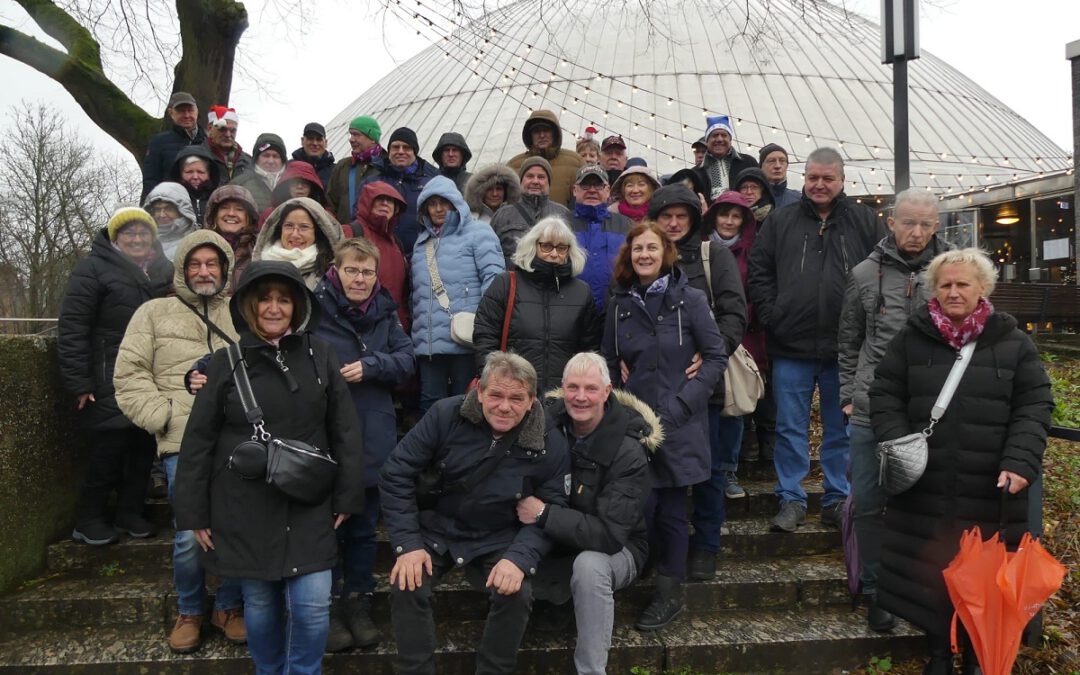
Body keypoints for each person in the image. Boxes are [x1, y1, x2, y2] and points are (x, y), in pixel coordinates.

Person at [175, 260, 365, 673]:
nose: (275, 308)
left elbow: (345, 429)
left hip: (309, 499)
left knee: (313, 605)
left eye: (284, 299)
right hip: (244, 502)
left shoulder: (322, 354)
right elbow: (198, 442)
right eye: (265, 299)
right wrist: (193, 512)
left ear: (297, 307)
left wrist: (348, 495)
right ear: (249, 306)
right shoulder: (225, 362)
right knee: (259, 603)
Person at [869, 248, 1053, 675]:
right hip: (926, 482)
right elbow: (885, 393)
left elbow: (1035, 403)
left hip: (989, 485)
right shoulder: (912, 337)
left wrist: (1020, 461)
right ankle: (938, 652)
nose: (954, 292)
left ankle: (976, 655)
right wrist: (900, 445)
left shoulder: (1012, 341)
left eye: (963, 284)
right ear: (935, 290)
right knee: (931, 569)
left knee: (984, 577)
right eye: (946, 285)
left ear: (983, 288)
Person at [379, 351, 571, 675]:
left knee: (517, 592)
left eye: (516, 398)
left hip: (497, 536)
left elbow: (554, 507)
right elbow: (396, 472)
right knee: (407, 583)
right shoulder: (444, 414)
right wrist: (407, 544)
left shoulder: (549, 440)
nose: (504, 406)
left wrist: (520, 558)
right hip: (437, 529)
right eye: (496, 394)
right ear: (479, 392)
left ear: (530, 401)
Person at [112, 230, 245, 653]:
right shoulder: (153, 312)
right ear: (183, 270)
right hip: (182, 442)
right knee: (191, 531)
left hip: (236, 441)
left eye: (212, 264)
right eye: (195, 264)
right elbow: (129, 373)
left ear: (224, 269)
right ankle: (190, 609)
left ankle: (228, 606)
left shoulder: (241, 312)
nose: (204, 271)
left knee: (237, 525)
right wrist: (163, 416)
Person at [748, 147, 887, 533]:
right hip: (790, 344)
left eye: (828, 178)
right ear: (803, 178)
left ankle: (836, 497)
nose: (820, 185)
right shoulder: (781, 221)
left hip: (845, 349)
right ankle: (790, 498)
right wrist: (773, 314)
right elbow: (760, 271)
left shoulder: (863, 221)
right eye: (813, 178)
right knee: (789, 427)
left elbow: (883, 272)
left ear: (843, 180)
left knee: (840, 427)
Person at [603, 221, 727, 631]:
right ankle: (647, 571)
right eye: (638, 248)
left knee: (672, 510)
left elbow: (714, 357)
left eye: (652, 248)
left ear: (665, 253)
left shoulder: (690, 300)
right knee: (643, 506)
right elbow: (607, 358)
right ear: (629, 254)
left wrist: (681, 405)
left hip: (679, 420)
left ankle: (669, 592)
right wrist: (618, 383)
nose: (644, 255)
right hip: (634, 423)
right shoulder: (620, 303)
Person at [837, 188, 951, 633]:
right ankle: (876, 589)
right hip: (869, 408)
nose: (917, 232)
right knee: (868, 501)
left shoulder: (951, 274)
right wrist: (849, 393)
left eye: (926, 224)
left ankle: (920, 588)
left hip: (930, 408)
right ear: (891, 222)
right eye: (909, 222)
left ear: (937, 226)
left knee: (925, 503)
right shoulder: (864, 274)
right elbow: (848, 340)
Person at [524, 352, 657, 675]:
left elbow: (609, 536)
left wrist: (544, 514)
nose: (580, 397)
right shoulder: (543, 427)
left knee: (589, 566)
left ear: (607, 392)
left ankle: (591, 671)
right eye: (572, 387)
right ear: (562, 388)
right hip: (558, 538)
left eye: (590, 389)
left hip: (620, 548)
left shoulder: (628, 450)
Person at [313, 238, 415, 652]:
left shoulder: (386, 315)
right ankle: (329, 607)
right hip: (324, 435)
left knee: (363, 531)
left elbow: (407, 361)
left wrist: (372, 366)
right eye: (352, 270)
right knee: (327, 532)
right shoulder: (312, 311)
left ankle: (358, 602)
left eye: (367, 271)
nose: (360, 278)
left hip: (373, 434)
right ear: (335, 270)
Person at [57, 207, 173, 546]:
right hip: (107, 373)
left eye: (143, 233)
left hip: (150, 375)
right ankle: (89, 517)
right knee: (108, 448)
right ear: (114, 237)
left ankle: (129, 512)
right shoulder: (92, 270)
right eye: (128, 233)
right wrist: (80, 382)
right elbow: (73, 329)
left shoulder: (164, 272)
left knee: (142, 447)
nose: (136, 239)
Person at [473, 218, 600, 394]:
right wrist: (493, 382)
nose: (554, 254)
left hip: (562, 397)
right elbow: (485, 337)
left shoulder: (582, 292)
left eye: (561, 248)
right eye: (546, 246)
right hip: (512, 394)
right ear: (533, 246)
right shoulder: (505, 284)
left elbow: (590, 350)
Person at [410, 176, 505, 410]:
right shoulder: (421, 243)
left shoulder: (479, 232)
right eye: (432, 203)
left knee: (467, 405)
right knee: (430, 407)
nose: (439, 208)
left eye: (444, 202)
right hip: (429, 346)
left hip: (466, 341)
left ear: (456, 203)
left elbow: (494, 282)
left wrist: (486, 329)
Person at [360, 126, 439, 255]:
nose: (400, 151)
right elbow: (359, 218)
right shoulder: (371, 183)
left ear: (415, 151)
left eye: (406, 147)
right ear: (389, 151)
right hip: (380, 256)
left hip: (421, 257)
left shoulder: (430, 183)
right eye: (395, 147)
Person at [568, 165, 633, 311]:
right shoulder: (560, 225)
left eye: (598, 185)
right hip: (570, 315)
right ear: (574, 190)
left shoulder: (626, 225)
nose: (592, 190)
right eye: (585, 185)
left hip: (615, 311)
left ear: (608, 190)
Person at [350, 181, 411, 333]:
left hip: (395, 331)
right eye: (379, 198)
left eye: (390, 200)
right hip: (362, 330)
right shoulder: (351, 233)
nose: (385, 203)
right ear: (367, 202)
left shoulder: (397, 243)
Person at [489, 156, 571, 268]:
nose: (535, 181)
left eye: (541, 177)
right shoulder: (502, 215)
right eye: (530, 176)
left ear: (549, 183)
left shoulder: (563, 214)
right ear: (521, 181)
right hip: (514, 282)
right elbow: (491, 255)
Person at [254, 197, 344, 289]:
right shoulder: (259, 267)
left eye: (304, 227)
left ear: (317, 232)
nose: (295, 234)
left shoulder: (332, 275)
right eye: (289, 226)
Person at [506, 109, 585, 206]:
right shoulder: (513, 166)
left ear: (555, 134)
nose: (542, 135)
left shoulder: (575, 163)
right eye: (536, 131)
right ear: (530, 135)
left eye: (546, 130)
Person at [142, 92, 206, 200]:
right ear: (171, 113)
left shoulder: (208, 141)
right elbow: (150, 180)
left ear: (197, 111)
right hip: (171, 208)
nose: (187, 115)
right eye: (181, 111)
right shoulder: (159, 142)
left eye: (190, 110)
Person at [326, 116, 384, 224]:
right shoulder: (342, 166)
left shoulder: (386, 166)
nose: (351, 139)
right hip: (346, 237)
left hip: (376, 237)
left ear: (372, 138)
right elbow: (330, 204)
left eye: (356, 134)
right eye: (351, 134)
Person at [204, 184, 260, 289]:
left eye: (239, 209)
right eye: (224, 208)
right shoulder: (199, 244)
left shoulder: (259, 248)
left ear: (249, 216)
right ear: (213, 215)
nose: (231, 213)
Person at [691, 115, 758, 201]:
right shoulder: (696, 172)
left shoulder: (748, 162)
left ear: (730, 139)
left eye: (724, 135)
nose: (719, 139)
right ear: (707, 141)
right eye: (714, 135)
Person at [230, 133, 288, 212]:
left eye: (275, 156)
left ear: (283, 160)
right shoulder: (240, 184)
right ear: (256, 158)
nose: (271, 161)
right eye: (266, 155)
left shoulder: (293, 185)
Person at [143, 181, 198, 262]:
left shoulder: (196, 241)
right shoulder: (141, 242)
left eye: (169, 209)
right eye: (158, 209)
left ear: (181, 211)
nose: (162, 215)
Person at [169, 145, 221, 225]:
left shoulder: (218, 199)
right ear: (180, 174)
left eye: (200, 172)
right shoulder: (170, 199)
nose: (195, 177)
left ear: (209, 174)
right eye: (189, 172)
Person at [203, 105, 252, 182]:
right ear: (210, 128)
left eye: (233, 131)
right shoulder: (197, 155)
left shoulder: (248, 161)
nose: (228, 135)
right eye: (222, 129)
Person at [757, 143, 801, 209]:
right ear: (761, 167)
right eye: (771, 161)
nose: (777, 166)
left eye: (782, 160)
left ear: (787, 166)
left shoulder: (800, 200)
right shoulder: (751, 199)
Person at [292, 122, 336, 188]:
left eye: (319, 139)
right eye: (310, 138)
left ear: (326, 143)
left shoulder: (336, 171)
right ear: (302, 141)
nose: (315, 143)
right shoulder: (289, 168)